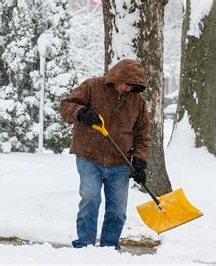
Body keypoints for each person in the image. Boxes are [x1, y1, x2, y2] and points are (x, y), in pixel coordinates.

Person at [59, 59, 151, 250]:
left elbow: (142, 135)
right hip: (89, 156)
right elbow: (66, 106)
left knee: (117, 210)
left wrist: (140, 160)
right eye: (127, 84)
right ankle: (85, 246)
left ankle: (109, 248)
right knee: (90, 200)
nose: (129, 89)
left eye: (134, 87)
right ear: (117, 77)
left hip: (120, 163)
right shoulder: (92, 87)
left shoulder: (138, 102)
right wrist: (81, 112)